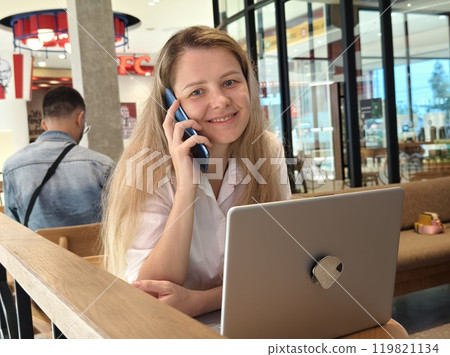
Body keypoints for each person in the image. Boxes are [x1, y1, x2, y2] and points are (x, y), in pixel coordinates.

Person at [101, 26, 291, 317]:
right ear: (170, 104)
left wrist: (200, 301)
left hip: (253, 318)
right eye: (197, 91)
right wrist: (187, 186)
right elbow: (150, 293)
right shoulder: (146, 165)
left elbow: (280, 266)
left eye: (230, 82)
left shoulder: (266, 149)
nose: (221, 101)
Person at [3, 86, 115, 231]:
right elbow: (119, 221)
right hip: (94, 254)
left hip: (36, 253)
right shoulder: (102, 165)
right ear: (80, 119)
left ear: (44, 124)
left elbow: (14, 228)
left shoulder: (12, 166)